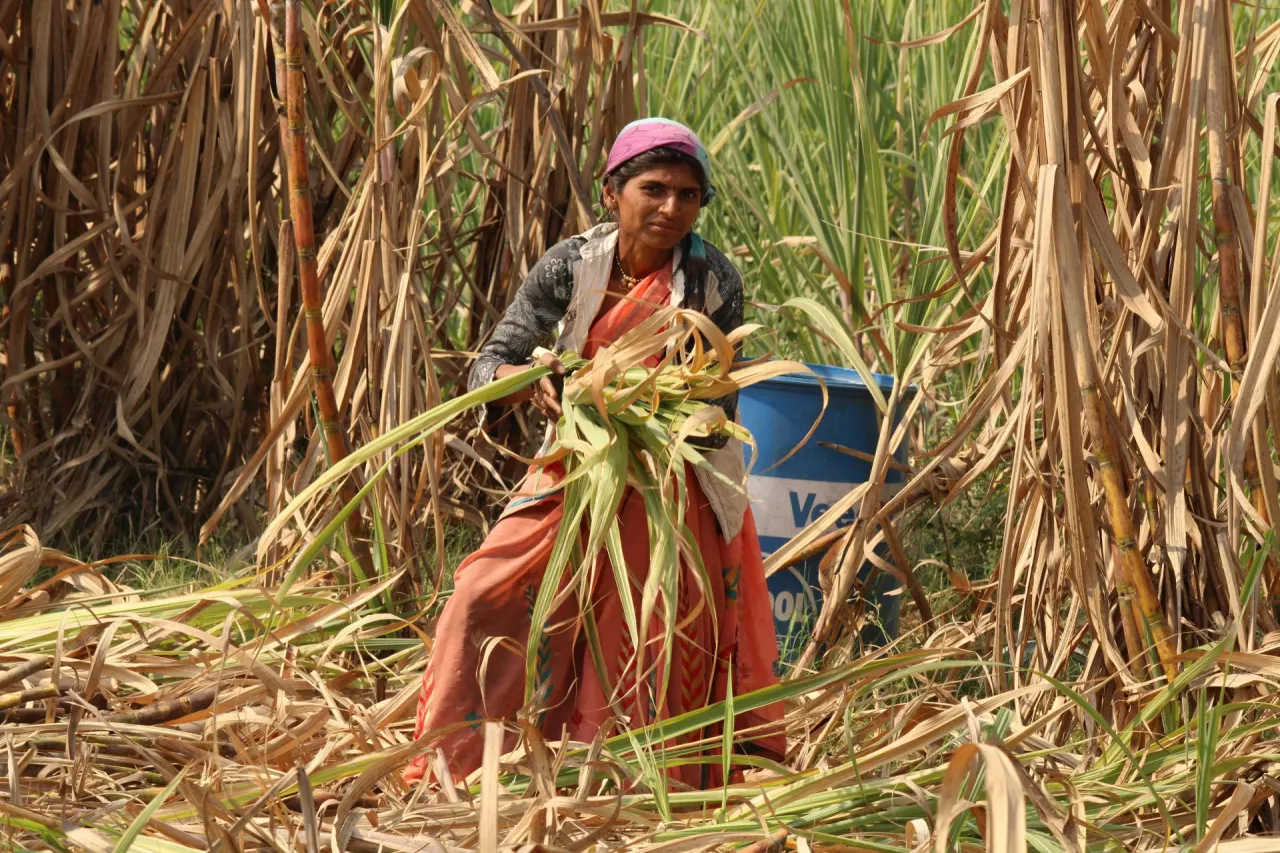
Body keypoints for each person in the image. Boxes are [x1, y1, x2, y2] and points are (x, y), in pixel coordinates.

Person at [404, 118, 783, 789]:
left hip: (673, 480)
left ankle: (621, 787)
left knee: (638, 627)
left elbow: (723, 402)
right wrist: (534, 383)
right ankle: (457, 769)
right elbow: (488, 363)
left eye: (689, 195)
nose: (671, 207)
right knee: (479, 594)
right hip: (575, 464)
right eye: (654, 188)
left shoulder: (711, 279)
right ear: (613, 192)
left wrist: (670, 411)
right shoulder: (570, 266)